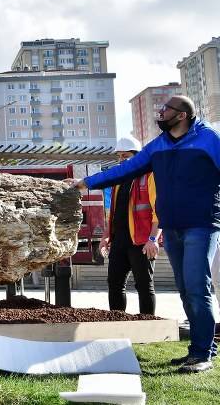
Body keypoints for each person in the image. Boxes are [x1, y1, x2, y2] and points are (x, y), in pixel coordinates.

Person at [71, 95, 219, 373]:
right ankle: (201, 349)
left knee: (198, 287)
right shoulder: (160, 146)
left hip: (201, 224)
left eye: (166, 110)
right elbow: (127, 169)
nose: (160, 114)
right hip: (173, 226)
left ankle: (202, 354)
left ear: (182, 115)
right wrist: (85, 183)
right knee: (186, 290)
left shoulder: (209, 138)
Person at [99, 136, 160, 315]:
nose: (121, 160)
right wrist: (106, 236)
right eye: (119, 156)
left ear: (138, 155)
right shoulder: (119, 179)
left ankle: (147, 327)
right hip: (119, 241)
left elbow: (159, 210)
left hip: (142, 242)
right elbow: (113, 213)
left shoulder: (150, 175)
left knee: (144, 285)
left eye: (125, 155)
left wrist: (153, 239)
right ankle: (118, 323)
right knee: (115, 283)